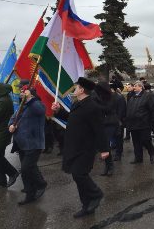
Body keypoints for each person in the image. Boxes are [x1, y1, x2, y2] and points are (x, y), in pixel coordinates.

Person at [51, 77, 109, 218]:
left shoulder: (92, 106)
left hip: (85, 148)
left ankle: (96, 194)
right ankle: (87, 205)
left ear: (82, 90)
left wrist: (104, 149)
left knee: (79, 174)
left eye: (76, 87)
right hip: (74, 146)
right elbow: (72, 118)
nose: (74, 89)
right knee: (77, 176)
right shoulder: (78, 104)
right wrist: (58, 111)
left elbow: (99, 129)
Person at [8, 84, 47, 205]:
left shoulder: (36, 104)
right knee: (27, 170)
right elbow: (13, 117)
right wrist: (10, 125)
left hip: (34, 143)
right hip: (21, 143)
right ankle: (30, 194)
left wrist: (31, 98)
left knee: (26, 168)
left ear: (30, 93)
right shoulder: (22, 105)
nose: (21, 92)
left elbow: (41, 110)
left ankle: (41, 184)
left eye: (23, 90)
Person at [125, 81, 154, 164]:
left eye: (135, 86)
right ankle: (138, 158)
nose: (134, 87)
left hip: (144, 124)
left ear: (141, 87)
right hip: (133, 124)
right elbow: (129, 109)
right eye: (134, 86)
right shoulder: (132, 97)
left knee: (145, 140)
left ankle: (151, 152)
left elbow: (153, 110)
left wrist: (153, 122)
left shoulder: (147, 96)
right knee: (136, 142)